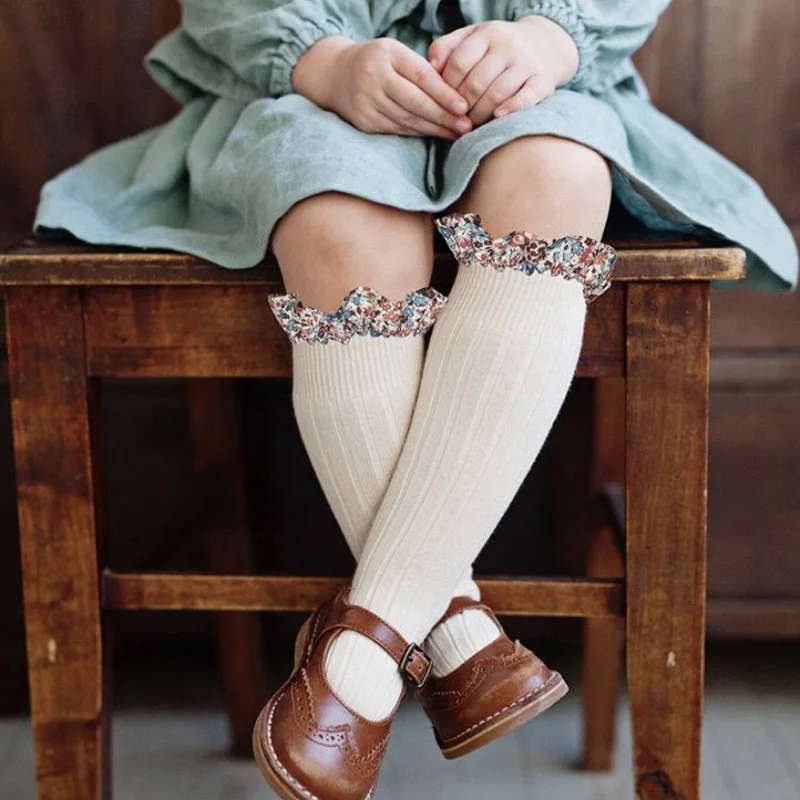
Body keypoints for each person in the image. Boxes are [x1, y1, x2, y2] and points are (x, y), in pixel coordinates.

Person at [34, 1, 797, 798]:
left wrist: (550, 37)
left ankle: (374, 636)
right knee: (338, 217)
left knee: (561, 173)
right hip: (309, 95)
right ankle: (456, 633)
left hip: (537, 88)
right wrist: (324, 61)